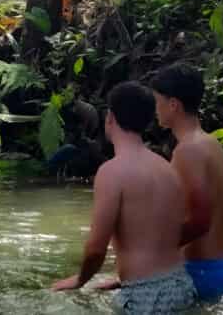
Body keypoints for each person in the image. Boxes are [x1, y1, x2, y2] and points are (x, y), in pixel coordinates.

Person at [51, 81, 198, 314]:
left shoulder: (112, 172)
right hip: (181, 286)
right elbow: (164, 236)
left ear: (110, 117)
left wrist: (79, 280)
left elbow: (96, 249)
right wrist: (122, 277)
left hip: (145, 297)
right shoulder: (166, 168)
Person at [151, 64, 223, 301]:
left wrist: (153, 256)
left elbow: (199, 221)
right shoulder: (212, 144)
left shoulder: (188, 151)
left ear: (173, 104)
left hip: (203, 273)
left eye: (157, 101)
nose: (155, 109)